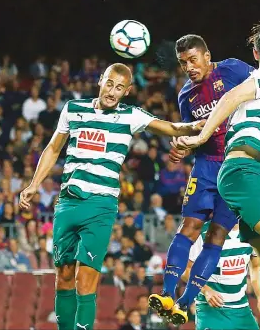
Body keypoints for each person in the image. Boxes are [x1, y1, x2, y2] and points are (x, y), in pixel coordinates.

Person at [149, 31, 260, 324]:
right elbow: (203, 120)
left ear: (207, 56)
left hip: (238, 165)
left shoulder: (234, 70)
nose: (189, 67)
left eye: (193, 60)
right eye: (183, 63)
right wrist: (189, 143)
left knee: (254, 252)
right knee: (204, 228)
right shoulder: (187, 95)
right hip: (219, 166)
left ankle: (184, 302)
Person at [19, 63, 206, 330]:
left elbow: (173, 128)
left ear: (127, 91)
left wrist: (202, 126)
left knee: (87, 277)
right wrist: (34, 184)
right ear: (100, 82)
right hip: (68, 202)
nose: (112, 91)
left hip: (101, 206)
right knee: (63, 273)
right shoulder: (74, 109)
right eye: (109, 84)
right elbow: (52, 148)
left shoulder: (131, 116)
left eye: (119, 88)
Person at [181, 222, 260, 330]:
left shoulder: (252, 232)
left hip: (241, 309)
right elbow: (185, 269)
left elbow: (255, 266)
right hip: (210, 309)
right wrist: (205, 290)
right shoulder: (203, 233)